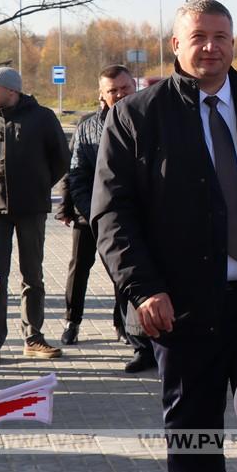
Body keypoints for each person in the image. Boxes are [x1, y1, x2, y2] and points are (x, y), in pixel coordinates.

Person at [91, 0, 237, 472]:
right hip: (182, 309)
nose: (211, 48)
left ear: (234, 43)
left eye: (221, 38)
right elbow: (111, 214)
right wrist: (143, 289)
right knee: (194, 436)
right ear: (175, 44)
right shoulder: (137, 116)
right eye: (198, 38)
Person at [63, 65, 157, 373]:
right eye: (112, 90)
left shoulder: (151, 122)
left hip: (139, 217)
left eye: (124, 88)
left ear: (135, 87)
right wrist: (95, 214)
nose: (119, 95)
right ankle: (72, 320)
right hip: (91, 216)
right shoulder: (87, 127)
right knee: (80, 269)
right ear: (102, 95)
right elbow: (76, 174)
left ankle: (136, 337)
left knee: (129, 275)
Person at [0, 66, 70, 365]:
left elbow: (61, 160)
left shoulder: (42, 118)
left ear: (11, 90)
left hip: (32, 208)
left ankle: (33, 337)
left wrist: (40, 184)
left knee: (33, 275)